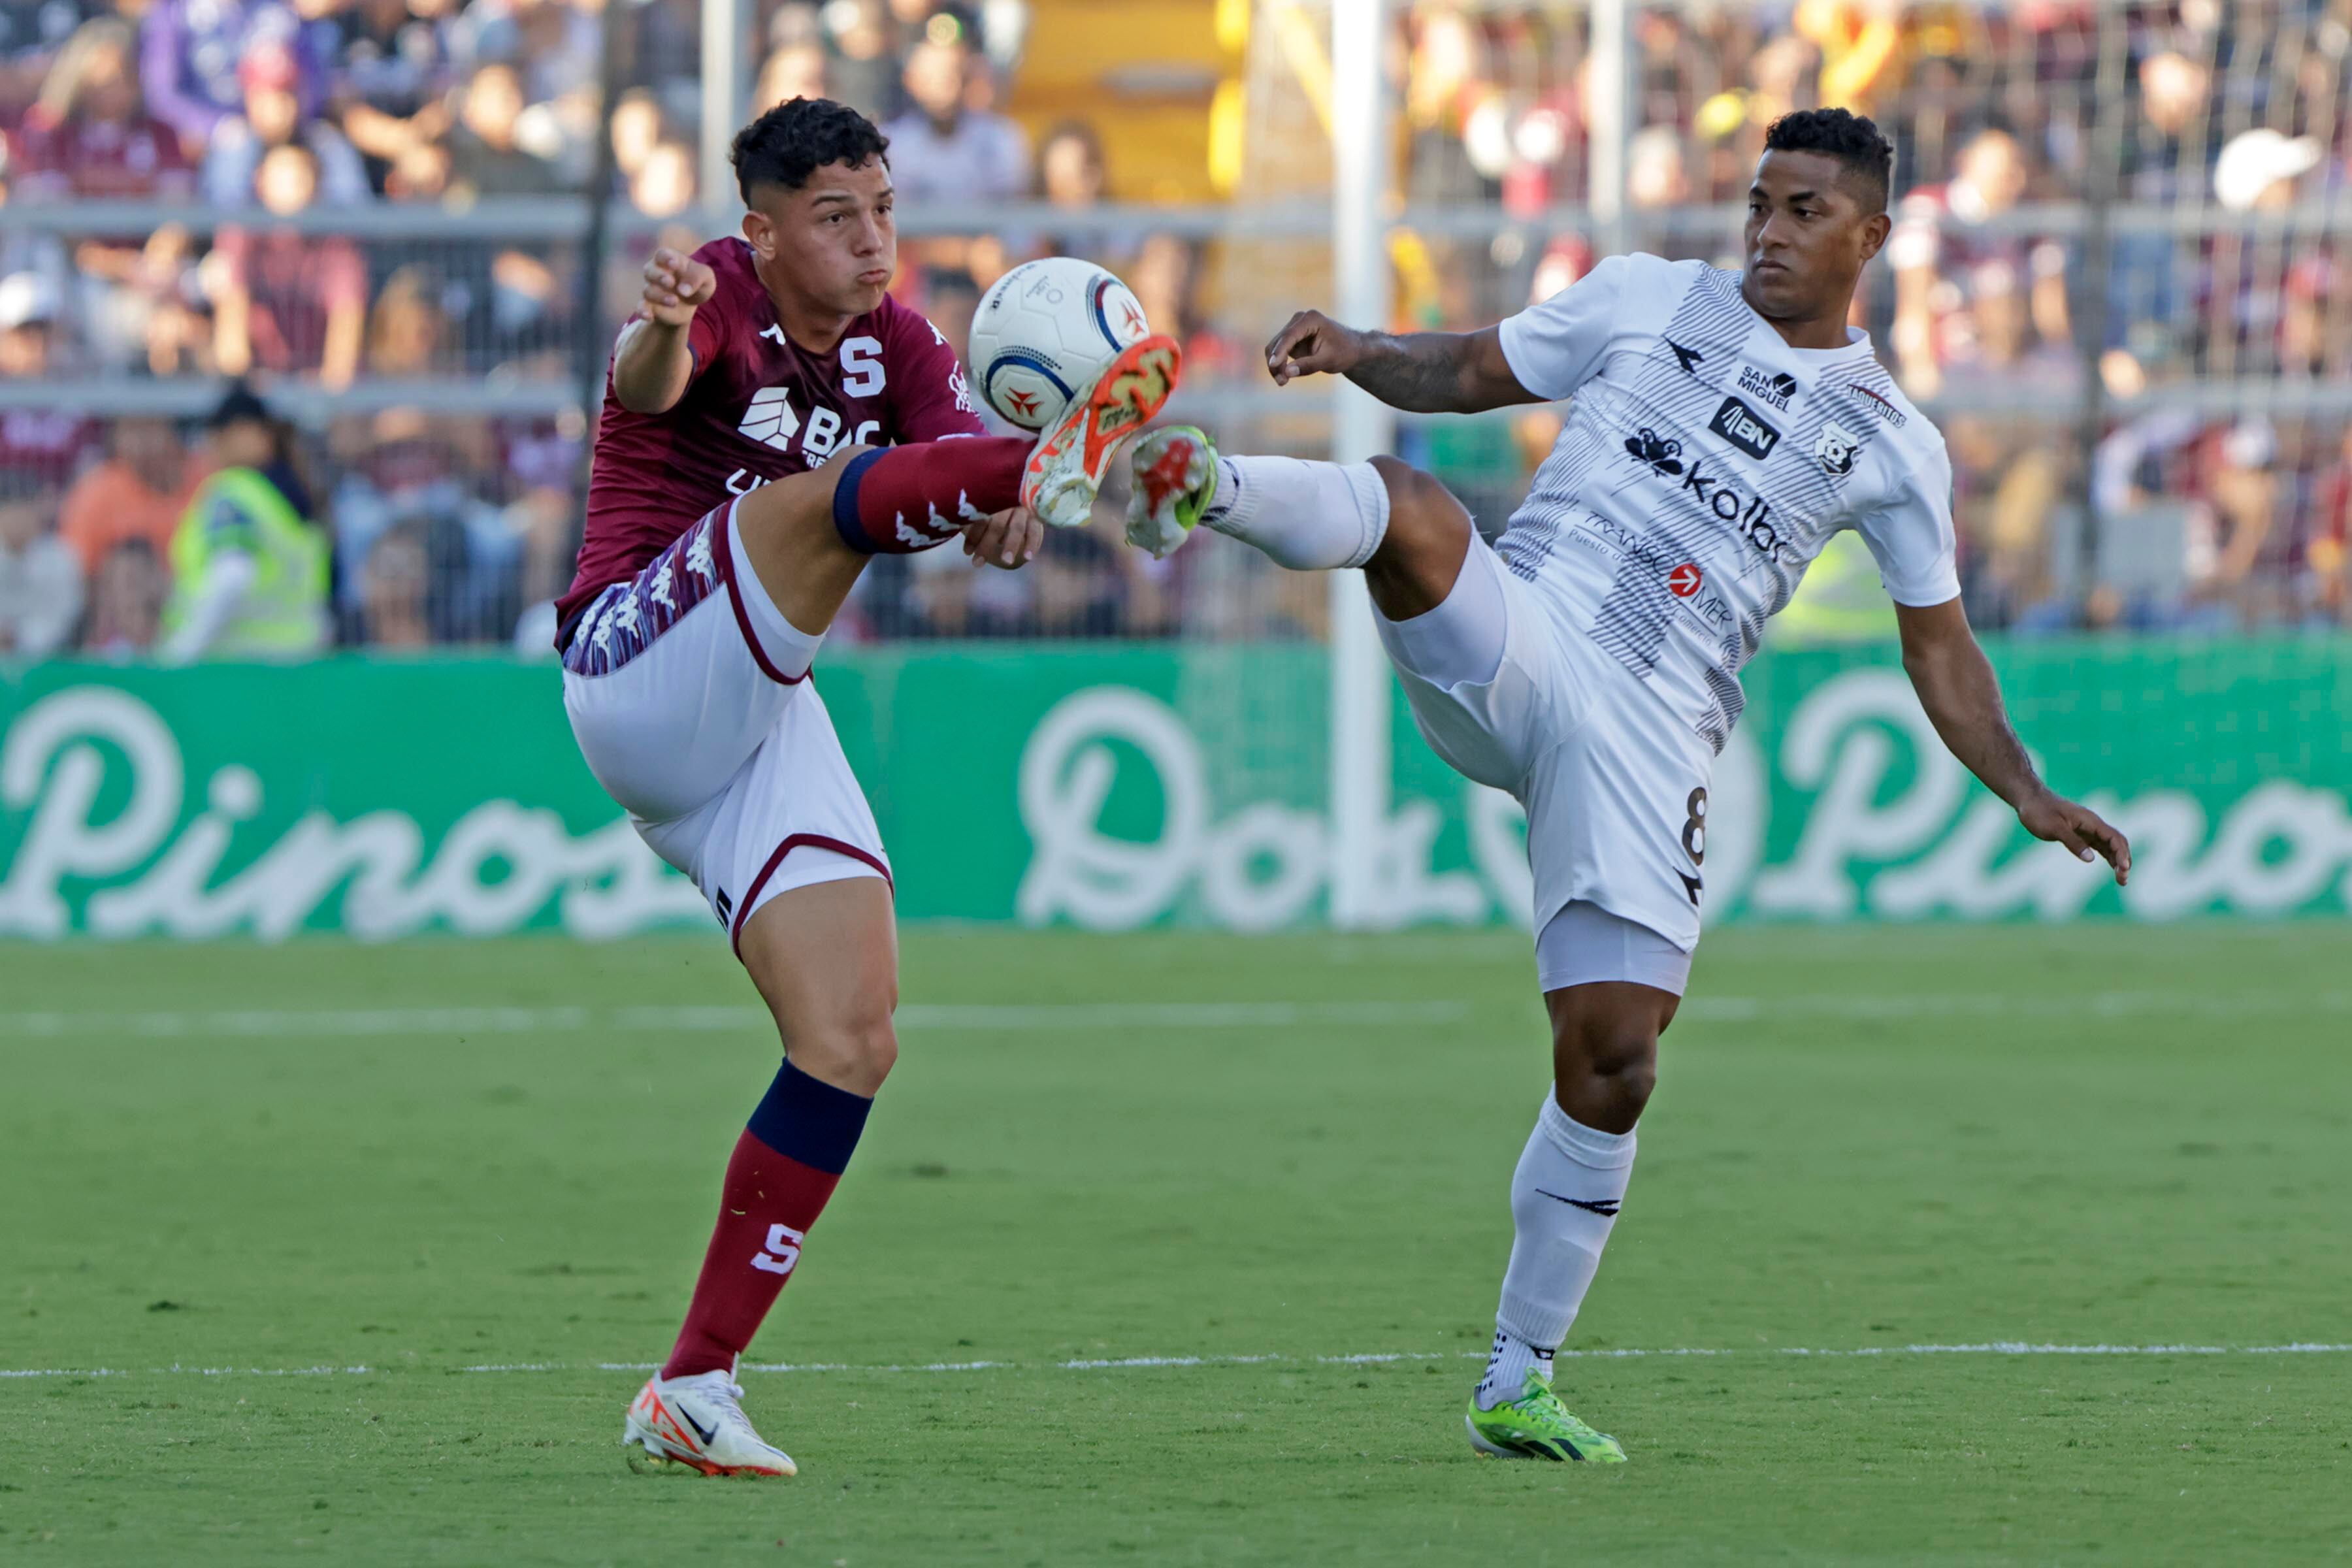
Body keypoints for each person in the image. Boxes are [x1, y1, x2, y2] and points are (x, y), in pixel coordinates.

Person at [1120, 107, 2131, 1463]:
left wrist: (2024, 786)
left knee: (1615, 1062)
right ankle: (1204, 486)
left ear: (1872, 237)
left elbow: (1938, 648)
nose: (1770, 230)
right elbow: (1476, 369)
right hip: (1527, 637)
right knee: (1411, 512)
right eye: (1761, 203)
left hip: (1653, 736)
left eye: (1804, 212)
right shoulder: (1653, 296)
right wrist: (1362, 348)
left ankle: (1514, 1379)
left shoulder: (1895, 441)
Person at [559, 94, 1179, 1478]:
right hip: (630, 665)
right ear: (763, 232)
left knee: (852, 1037)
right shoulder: (715, 294)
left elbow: (935, 488)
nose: (873, 242)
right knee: (810, 498)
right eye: (836, 219)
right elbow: (654, 382)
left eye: (884, 210)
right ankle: (1071, 451)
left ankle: (694, 1386)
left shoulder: (901, 344)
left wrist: (1005, 510)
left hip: (754, 708)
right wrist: (657, 324)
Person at [159, 383, 331, 661]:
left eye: (218, 436)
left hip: (237, 670)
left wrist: (179, 655)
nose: (209, 447)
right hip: (298, 665)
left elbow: (232, 576)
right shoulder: (292, 502)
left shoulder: (235, 495)